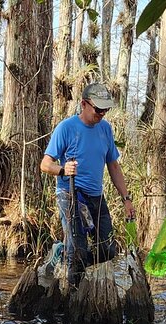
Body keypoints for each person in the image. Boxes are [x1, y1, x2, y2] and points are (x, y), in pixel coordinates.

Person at [40, 83, 135, 283]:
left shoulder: (106, 129)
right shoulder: (66, 128)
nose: (102, 114)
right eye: (98, 109)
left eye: (105, 109)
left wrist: (126, 199)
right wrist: (63, 170)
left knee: (108, 249)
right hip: (70, 193)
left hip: (96, 196)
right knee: (79, 251)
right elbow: (45, 164)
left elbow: (114, 166)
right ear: (84, 104)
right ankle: (72, 295)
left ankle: (64, 254)